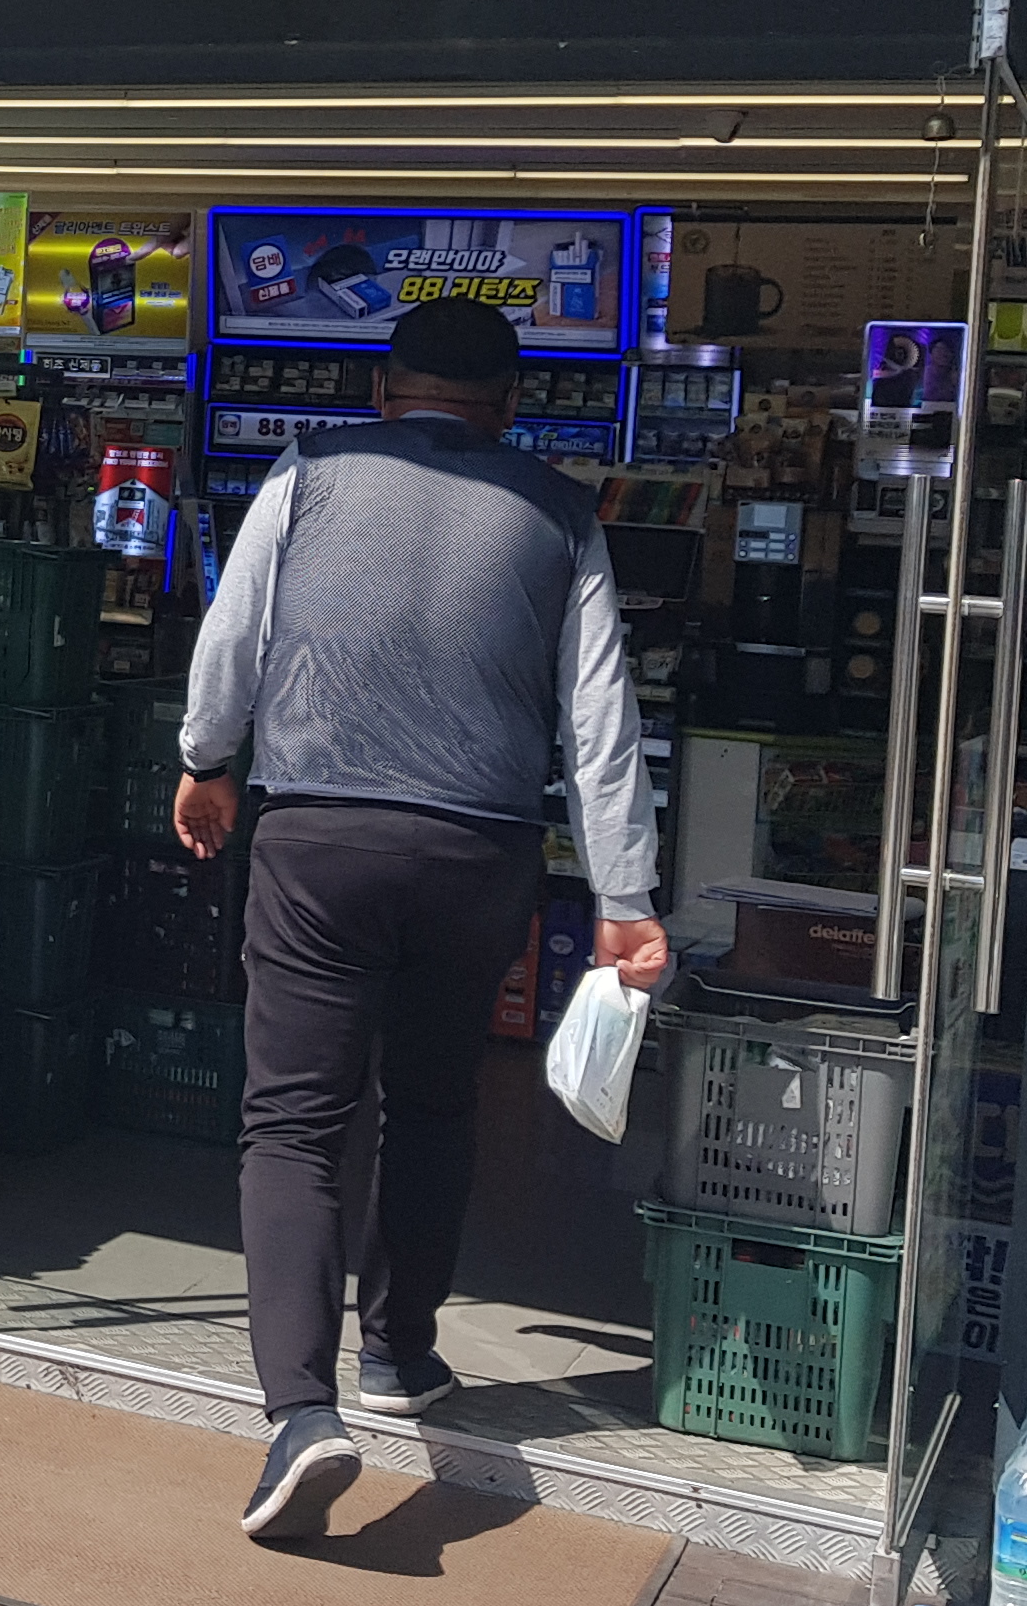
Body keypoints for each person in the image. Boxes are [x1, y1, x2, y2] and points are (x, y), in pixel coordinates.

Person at [174, 297, 669, 1543]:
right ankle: (398, 1353)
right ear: (512, 404)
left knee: (293, 1122)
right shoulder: (562, 513)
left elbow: (234, 633)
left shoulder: (309, 472)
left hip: (319, 837)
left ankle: (303, 1413)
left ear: (383, 389)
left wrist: (207, 759)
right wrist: (624, 900)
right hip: (477, 851)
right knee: (435, 1102)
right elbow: (600, 722)